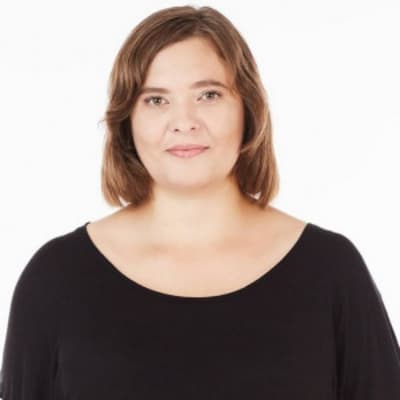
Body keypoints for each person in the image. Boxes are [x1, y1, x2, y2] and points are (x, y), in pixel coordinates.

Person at [0, 5, 399, 399]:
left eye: (209, 95)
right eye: (156, 100)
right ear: (127, 121)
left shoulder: (329, 271)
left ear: (248, 110)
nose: (184, 122)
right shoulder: (57, 279)